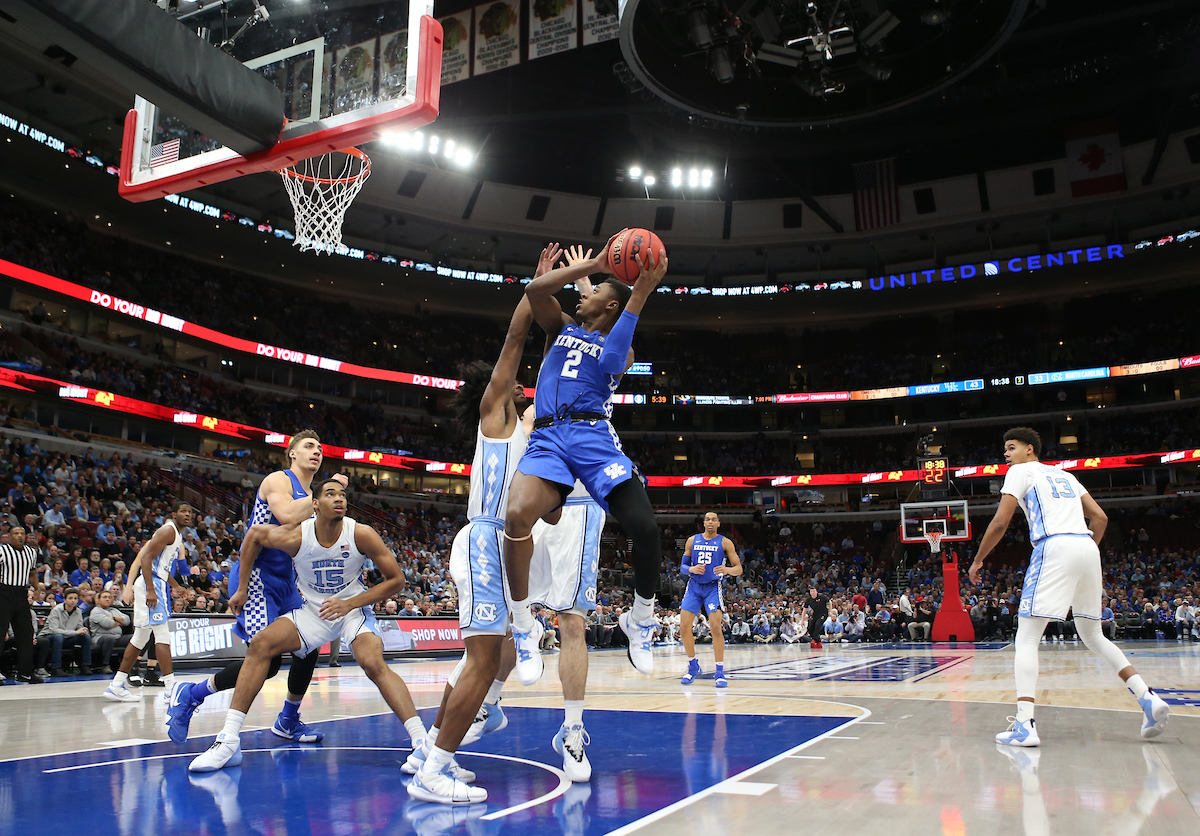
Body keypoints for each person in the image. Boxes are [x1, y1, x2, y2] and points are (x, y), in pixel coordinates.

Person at [407, 247, 555, 806]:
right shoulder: (496, 415)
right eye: (518, 384)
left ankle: (429, 755)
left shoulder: (532, 428)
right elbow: (516, 344)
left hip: (508, 544)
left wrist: (555, 321)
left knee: (494, 656)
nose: (523, 386)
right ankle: (433, 768)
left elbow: (550, 360)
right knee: (484, 658)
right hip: (484, 539)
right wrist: (534, 293)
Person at [502, 232, 669, 683]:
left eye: (595, 292)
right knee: (516, 516)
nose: (585, 293)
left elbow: (614, 357)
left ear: (612, 306)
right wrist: (592, 267)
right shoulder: (559, 328)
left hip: (593, 437)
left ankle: (640, 619)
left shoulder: (623, 344)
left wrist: (638, 293)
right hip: (550, 436)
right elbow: (536, 290)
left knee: (646, 528)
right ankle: (522, 624)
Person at [189, 480, 427, 772]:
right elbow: (254, 534)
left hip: (352, 609)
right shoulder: (295, 536)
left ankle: (422, 744)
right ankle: (227, 742)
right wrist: (240, 588)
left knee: (371, 662)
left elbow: (397, 581)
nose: (339, 499)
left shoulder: (361, 534)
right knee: (262, 645)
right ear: (315, 504)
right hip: (314, 612)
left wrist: (350, 604)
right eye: (330, 494)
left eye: (342, 495)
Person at [969, 427, 1169, 747]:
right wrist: (1085, 554)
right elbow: (1100, 518)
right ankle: (1147, 698)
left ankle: (1024, 724)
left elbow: (1000, 522)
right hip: (1087, 547)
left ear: (1030, 450)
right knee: (1093, 635)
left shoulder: (1019, 471)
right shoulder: (1065, 475)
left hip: (1055, 546)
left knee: (1028, 635)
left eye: (1011, 447)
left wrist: (978, 560)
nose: (1006, 454)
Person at [164, 431, 340, 744]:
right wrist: (242, 586)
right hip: (257, 577)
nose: (317, 451)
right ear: (292, 454)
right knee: (268, 662)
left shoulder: (310, 492)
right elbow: (284, 517)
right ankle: (191, 694)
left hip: (286, 582)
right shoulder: (278, 480)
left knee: (309, 647)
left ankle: (288, 719)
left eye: (320, 447)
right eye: (309, 446)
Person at [103, 501, 191, 701]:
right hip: (151, 584)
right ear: (174, 513)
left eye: (189, 512)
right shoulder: (168, 531)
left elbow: (162, 567)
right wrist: (151, 589)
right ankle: (170, 689)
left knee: (140, 638)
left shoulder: (176, 535)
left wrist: (176, 586)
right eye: (183, 511)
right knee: (162, 634)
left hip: (156, 582)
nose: (187, 514)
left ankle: (116, 685)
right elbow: (145, 559)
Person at [679, 512, 742, 688]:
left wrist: (727, 570)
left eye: (714, 519)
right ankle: (693, 666)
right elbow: (683, 568)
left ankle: (719, 671)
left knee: (715, 627)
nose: (711, 522)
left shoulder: (725, 542)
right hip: (694, 587)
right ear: (704, 523)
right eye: (708, 519)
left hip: (713, 587)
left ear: (719, 523)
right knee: (684, 627)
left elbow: (738, 568)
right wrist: (692, 568)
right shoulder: (692, 540)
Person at [0, 524, 43, 683]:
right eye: (16, 533)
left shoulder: (31, 552)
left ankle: (25, 672)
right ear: (9, 537)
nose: (19, 535)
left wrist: (37, 588)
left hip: (21, 594)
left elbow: (32, 573)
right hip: (3, 593)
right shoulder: (2, 550)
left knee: (26, 634)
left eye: (22, 533)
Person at [36, 587, 92, 675]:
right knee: (58, 637)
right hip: (48, 637)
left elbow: (79, 627)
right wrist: (75, 632)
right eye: (70, 598)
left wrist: (83, 630)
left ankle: (85, 665)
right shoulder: (56, 610)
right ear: (65, 599)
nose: (73, 601)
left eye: (75, 598)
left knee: (85, 636)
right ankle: (56, 667)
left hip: (67, 637)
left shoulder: (78, 611)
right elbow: (54, 630)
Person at [89, 589, 130, 673]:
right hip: (100, 638)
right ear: (98, 600)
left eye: (109, 597)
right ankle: (105, 665)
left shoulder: (114, 610)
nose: (107, 599)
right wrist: (119, 621)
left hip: (117, 637)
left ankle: (129, 664)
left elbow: (127, 620)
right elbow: (108, 624)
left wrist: (114, 618)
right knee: (109, 638)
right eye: (104, 597)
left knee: (133, 638)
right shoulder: (96, 611)